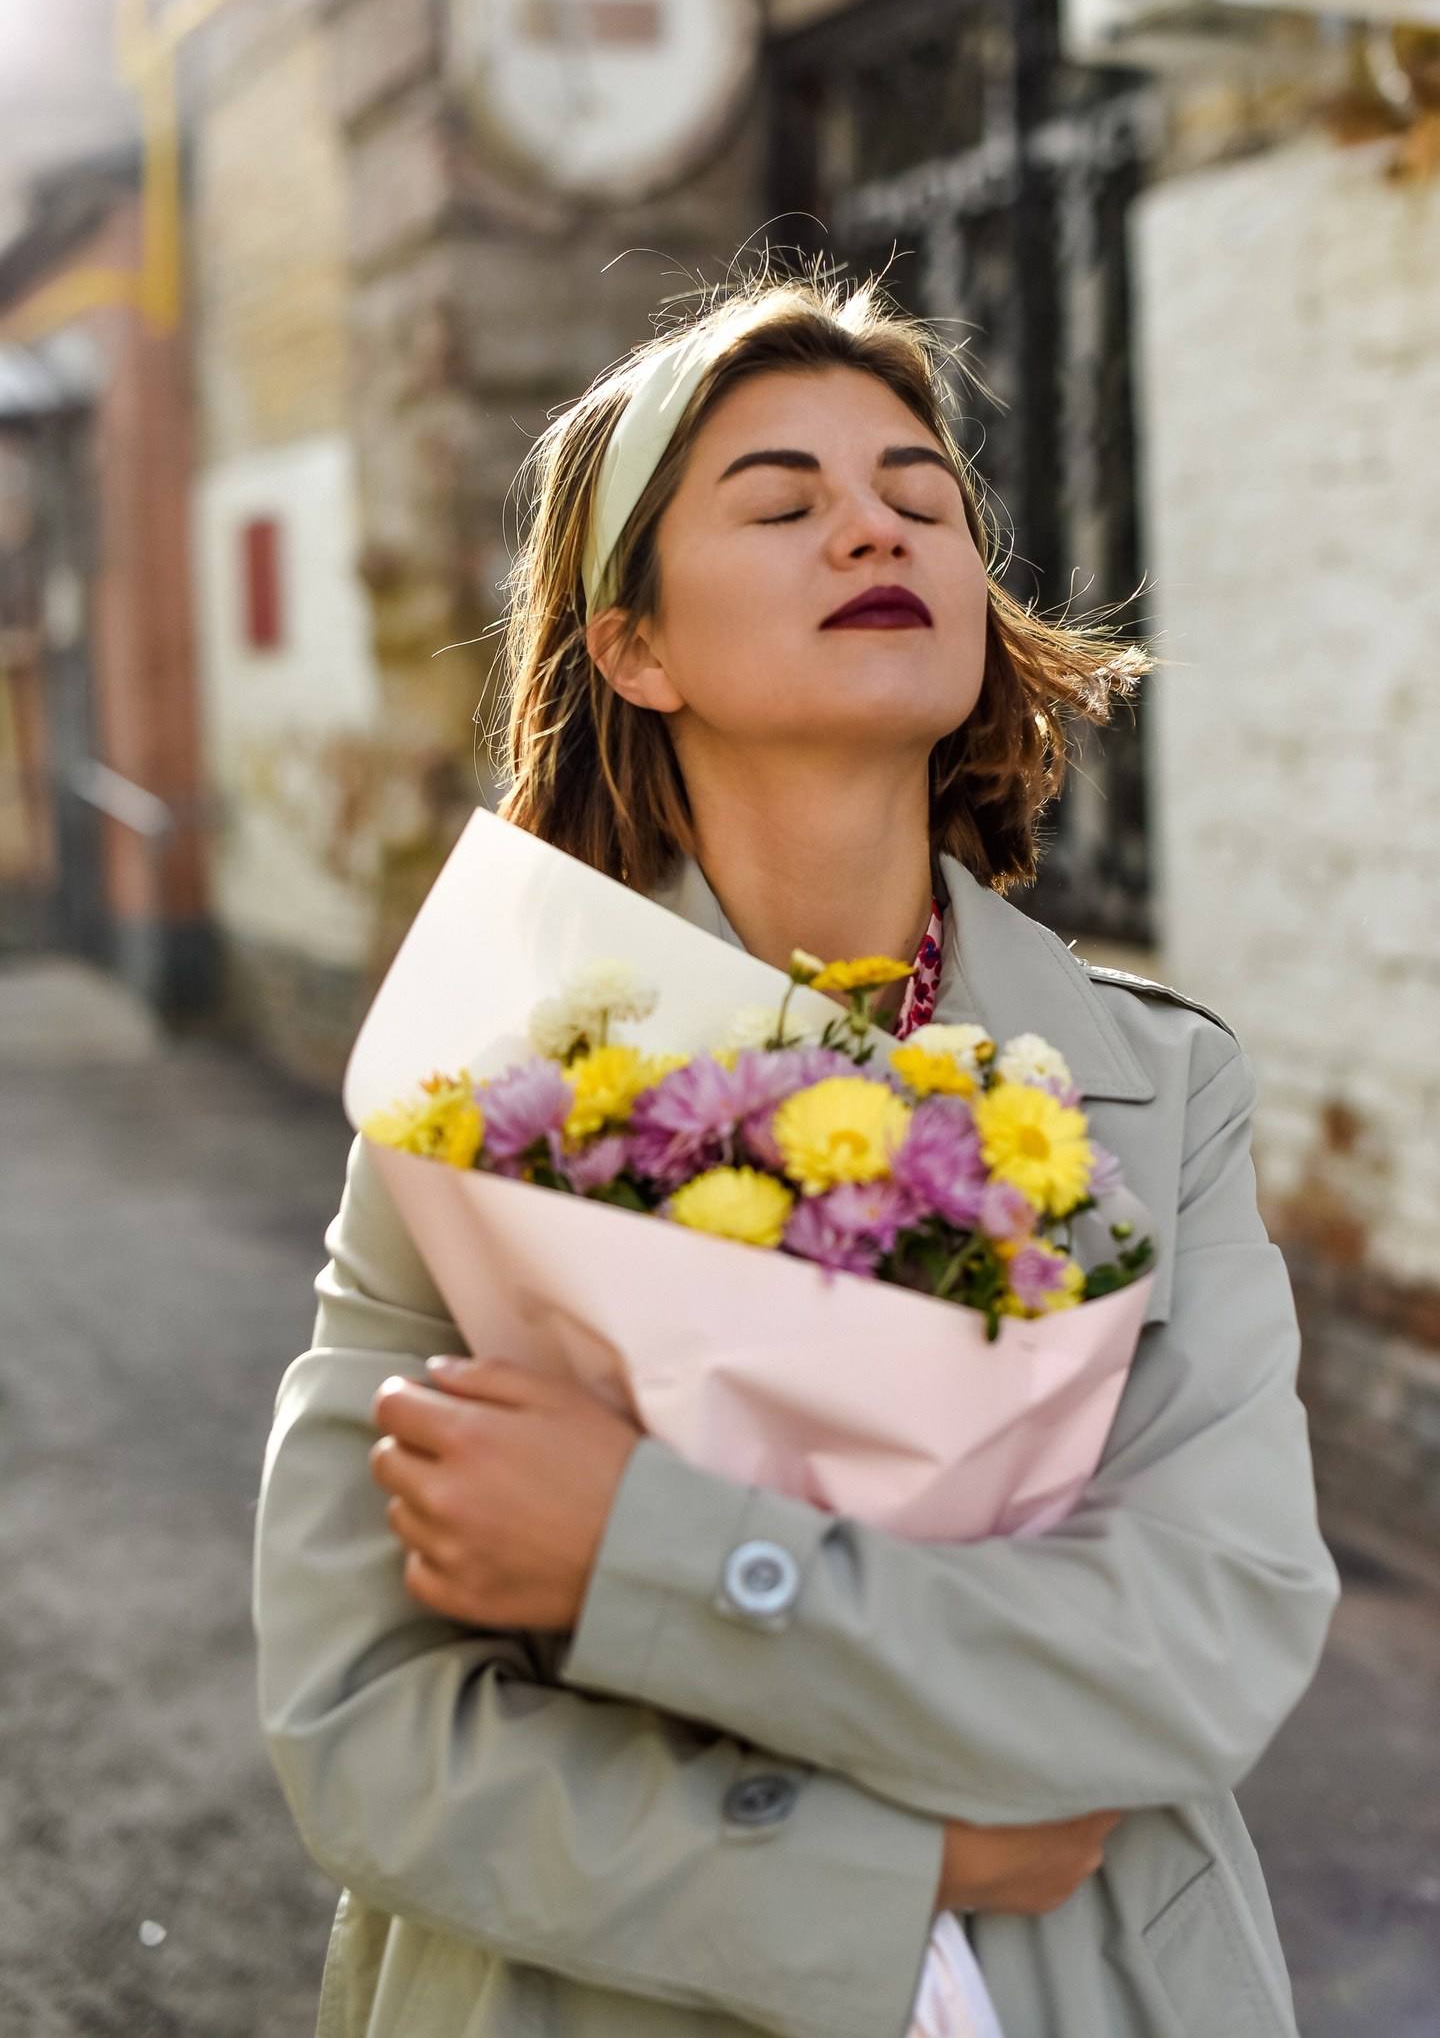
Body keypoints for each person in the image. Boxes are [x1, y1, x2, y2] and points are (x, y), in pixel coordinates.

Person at [254, 276, 1339, 2038]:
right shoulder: (482, 1088)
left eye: (923, 498)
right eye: (782, 500)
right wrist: (898, 1869)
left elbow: (1195, 1644)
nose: (874, 525)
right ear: (634, 646)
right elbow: (366, 1733)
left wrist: (647, 1551)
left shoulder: (1157, 1085)